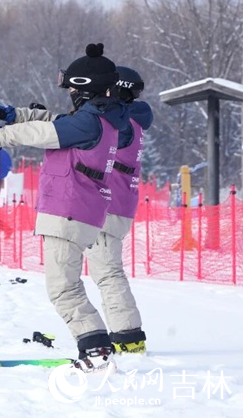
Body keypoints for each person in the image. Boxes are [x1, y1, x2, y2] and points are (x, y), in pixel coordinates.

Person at [0, 43, 128, 372]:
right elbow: (53, 120)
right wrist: (13, 114)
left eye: (71, 85)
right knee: (66, 286)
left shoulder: (90, 122)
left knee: (63, 288)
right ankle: (96, 348)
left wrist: (0, 135)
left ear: (86, 87)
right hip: (76, 210)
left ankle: (97, 351)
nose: (69, 90)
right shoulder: (101, 117)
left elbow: (47, 131)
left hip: (69, 211)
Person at [87, 66, 152, 355]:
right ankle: (125, 334)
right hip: (119, 203)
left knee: (108, 272)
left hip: (109, 205)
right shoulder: (133, 120)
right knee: (107, 271)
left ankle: (127, 335)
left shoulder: (123, 124)